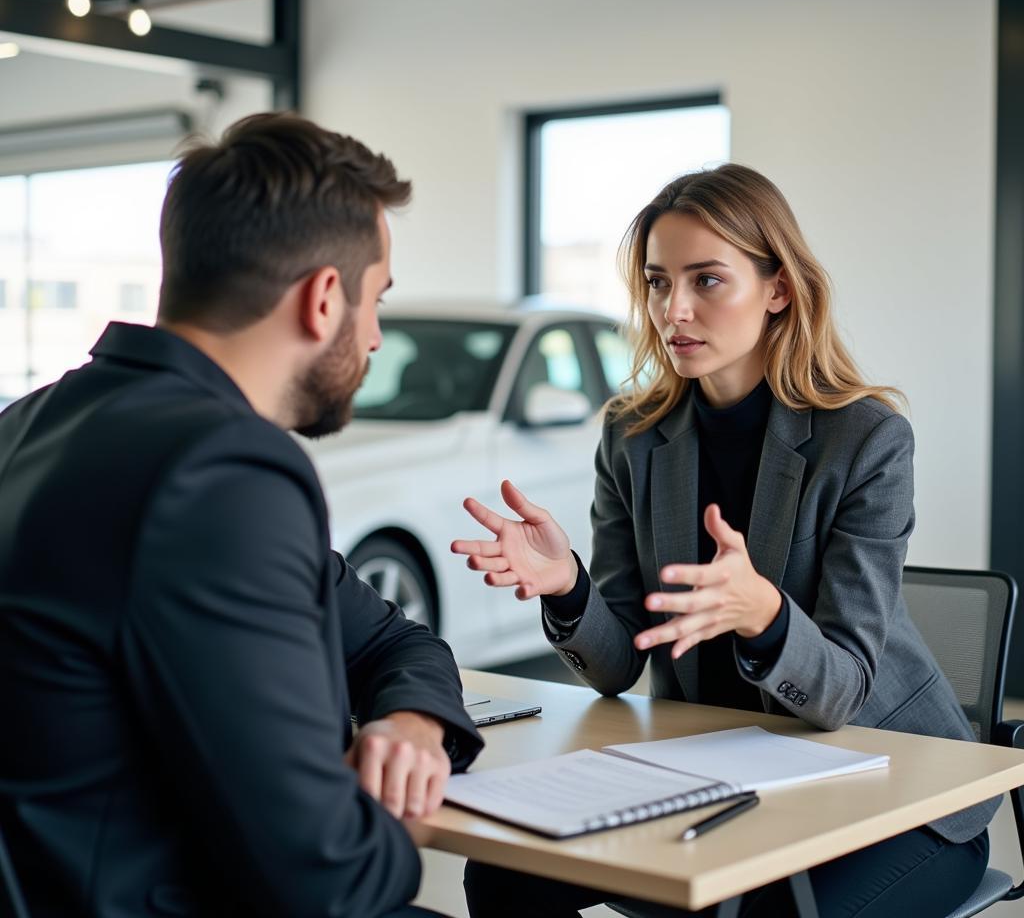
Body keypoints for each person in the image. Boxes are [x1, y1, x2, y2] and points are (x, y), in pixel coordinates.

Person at [453, 164, 995, 918]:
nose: (674, 309)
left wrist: (763, 615)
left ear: (777, 289)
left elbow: (840, 690)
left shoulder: (865, 440)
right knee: (502, 871)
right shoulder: (633, 436)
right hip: (717, 776)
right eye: (656, 281)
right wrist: (568, 587)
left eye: (706, 280)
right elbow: (618, 669)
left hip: (894, 792)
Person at [0, 112, 483, 918]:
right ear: (325, 299)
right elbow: (327, 879)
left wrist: (414, 722)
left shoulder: (27, 425)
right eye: (377, 303)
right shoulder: (223, 472)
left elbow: (393, 638)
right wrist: (401, 821)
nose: (374, 338)